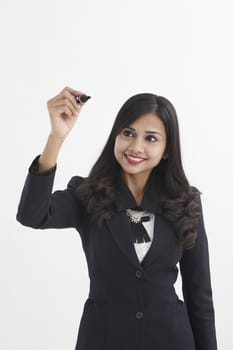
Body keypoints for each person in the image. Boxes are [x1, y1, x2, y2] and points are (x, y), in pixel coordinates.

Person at [16, 86, 218, 350]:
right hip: (103, 340)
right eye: (128, 133)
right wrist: (56, 137)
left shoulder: (185, 203)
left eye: (151, 138)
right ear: (116, 136)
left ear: (167, 149)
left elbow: (199, 296)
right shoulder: (87, 195)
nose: (136, 147)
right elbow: (33, 214)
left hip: (172, 340)